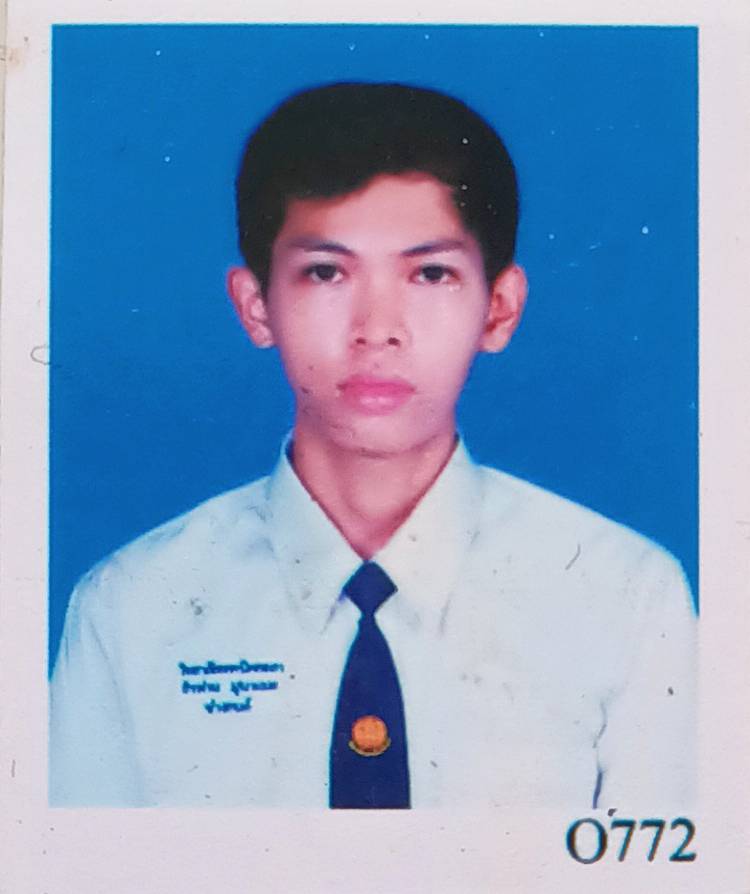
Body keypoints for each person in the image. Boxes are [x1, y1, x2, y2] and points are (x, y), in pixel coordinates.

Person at [49, 82, 696, 810]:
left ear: (499, 308)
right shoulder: (130, 608)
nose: (377, 329)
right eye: (326, 272)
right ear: (256, 306)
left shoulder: (626, 598)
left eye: (430, 273)